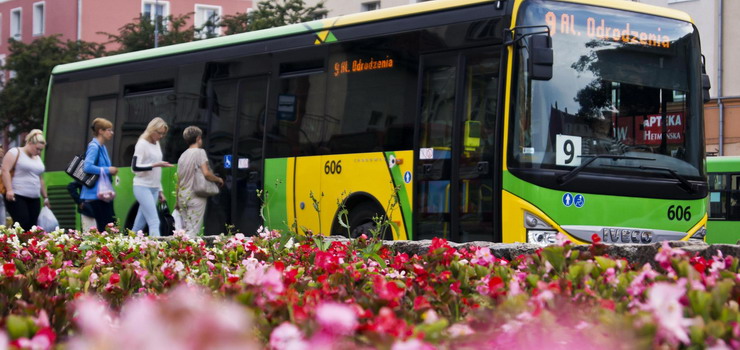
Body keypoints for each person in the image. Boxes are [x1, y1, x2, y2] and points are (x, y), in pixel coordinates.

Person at [176, 126, 224, 237]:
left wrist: (177, 201)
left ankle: (181, 252)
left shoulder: (182, 156)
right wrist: (218, 179)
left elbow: (179, 179)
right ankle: (187, 253)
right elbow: (206, 173)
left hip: (182, 196)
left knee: (185, 230)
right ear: (198, 138)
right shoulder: (199, 152)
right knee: (193, 231)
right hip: (195, 196)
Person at [131, 117, 173, 237]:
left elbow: (157, 170)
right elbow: (134, 168)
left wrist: (160, 191)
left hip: (154, 188)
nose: (161, 136)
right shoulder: (142, 144)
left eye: (163, 134)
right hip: (142, 186)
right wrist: (155, 164)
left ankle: (126, 246)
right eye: (159, 133)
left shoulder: (156, 144)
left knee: (139, 225)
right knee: (154, 221)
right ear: (152, 130)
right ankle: (156, 252)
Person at [1, 130, 49, 230]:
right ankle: (12, 243)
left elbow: (40, 178)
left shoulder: (37, 158)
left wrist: (45, 197)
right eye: (37, 149)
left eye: (41, 150)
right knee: (22, 222)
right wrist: (9, 190)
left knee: (32, 225)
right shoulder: (15, 152)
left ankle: (27, 245)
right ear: (30, 143)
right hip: (17, 195)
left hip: (34, 196)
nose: (39, 152)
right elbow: (5, 170)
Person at [81, 118, 118, 231]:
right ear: (100, 131)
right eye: (108, 130)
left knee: (108, 227)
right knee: (103, 228)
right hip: (94, 196)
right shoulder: (94, 146)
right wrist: (108, 170)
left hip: (103, 195)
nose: (111, 133)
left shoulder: (103, 147)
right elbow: (87, 167)